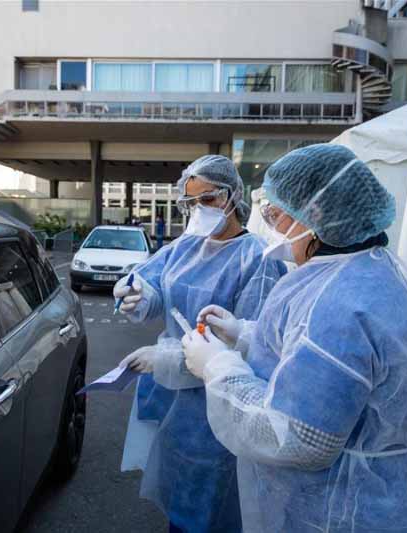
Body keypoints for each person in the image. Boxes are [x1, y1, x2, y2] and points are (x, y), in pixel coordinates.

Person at [182, 144, 407, 532]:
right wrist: (245, 336)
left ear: (318, 215)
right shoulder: (367, 271)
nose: (274, 229)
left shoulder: (339, 300)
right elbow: (326, 361)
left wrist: (218, 367)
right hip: (394, 494)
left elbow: (296, 437)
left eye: (278, 215)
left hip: (352, 510)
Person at [113, 154, 287, 533]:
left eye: (207, 200)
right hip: (175, 403)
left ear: (232, 195)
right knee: (178, 492)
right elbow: (157, 285)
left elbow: (249, 345)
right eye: (190, 203)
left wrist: (166, 357)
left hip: (219, 408)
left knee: (211, 507)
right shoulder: (185, 246)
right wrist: (138, 295)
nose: (198, 210)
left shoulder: (257, 259)